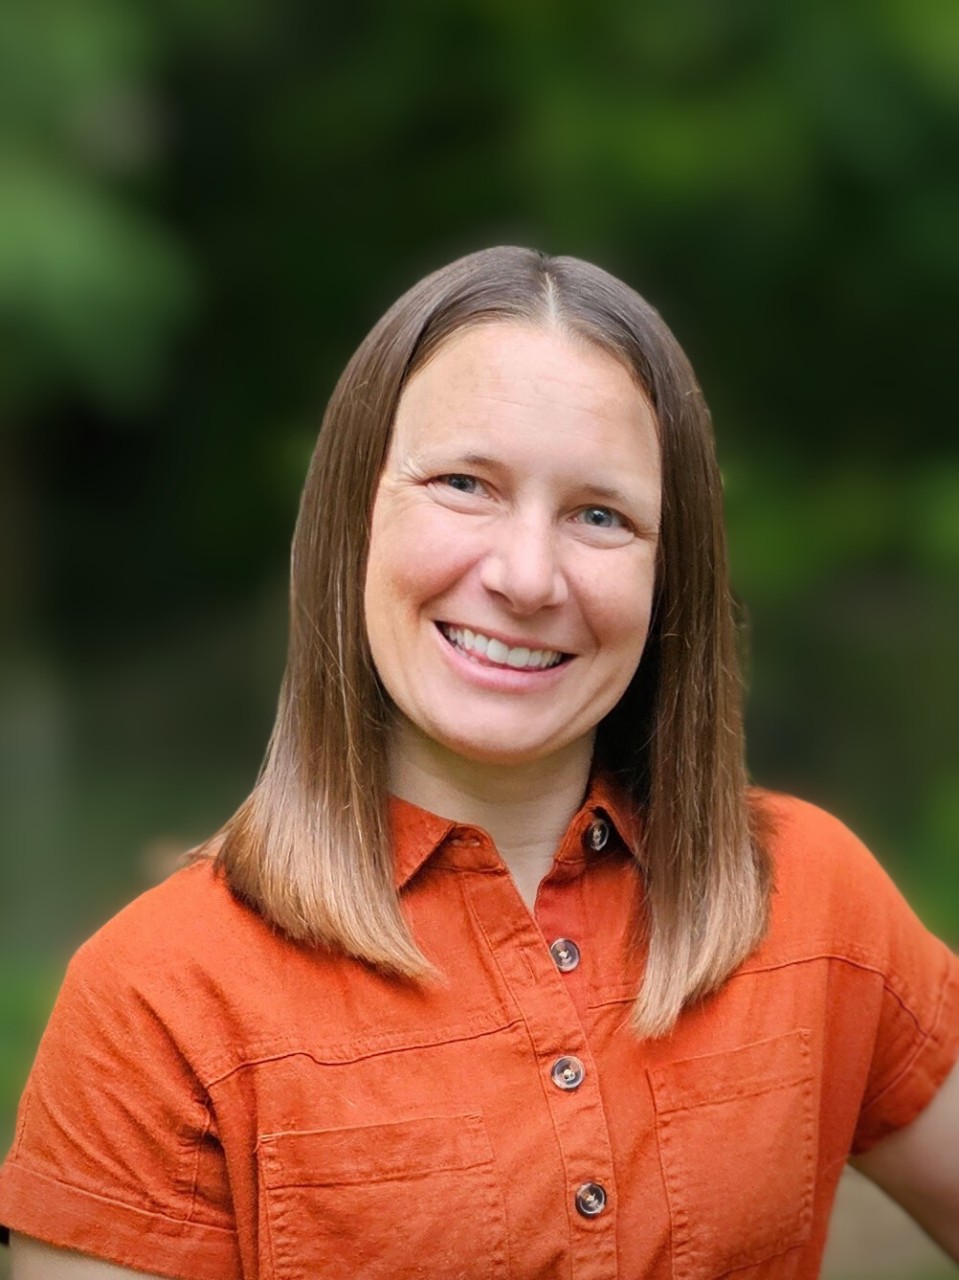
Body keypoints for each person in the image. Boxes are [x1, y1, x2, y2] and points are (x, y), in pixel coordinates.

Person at [1, 246, 957, 1279]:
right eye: (464, 483)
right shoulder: (157, 996)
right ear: (351, 517)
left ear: (667, 569)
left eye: (600, 514)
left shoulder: (815, 901)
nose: (525, 574)